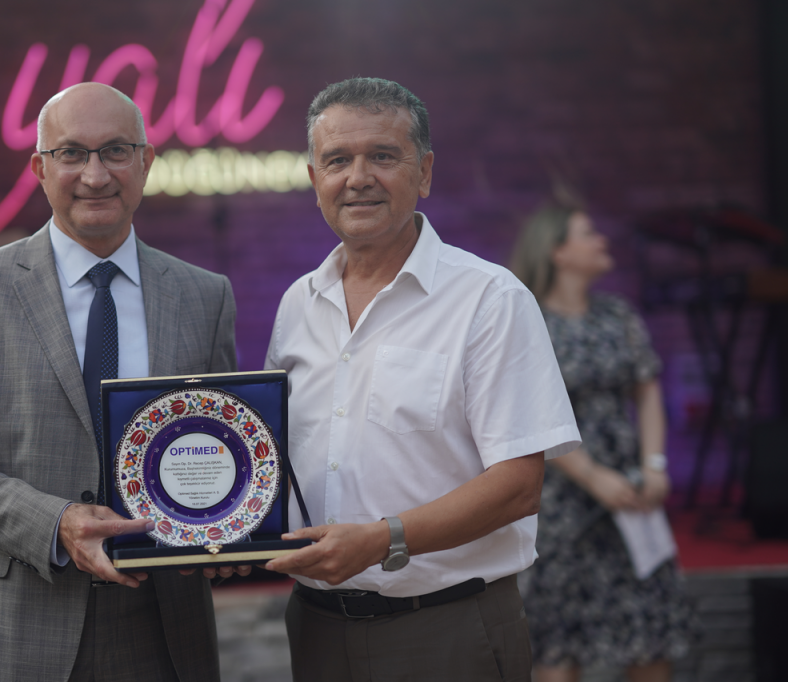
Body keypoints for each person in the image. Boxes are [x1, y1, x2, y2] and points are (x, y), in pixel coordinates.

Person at [0, 82, 238, 682]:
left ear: (146, 162)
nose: (95, 175)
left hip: (163, 632)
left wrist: (230, 527)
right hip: (12, 625)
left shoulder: (204, 296)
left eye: (116, 150)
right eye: (71, 153)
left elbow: (223, 446)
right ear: (40, 168)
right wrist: (57, 523)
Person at [262, 77, 581, 681]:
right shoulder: (297, 304)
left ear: (425, 173)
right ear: (314, 180)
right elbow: (271, 456)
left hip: (447, 630)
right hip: (316, 628)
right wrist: (215, 529)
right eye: (337, 160)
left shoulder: (489, 299)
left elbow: (518, 486)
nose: (358, 178)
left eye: (383, 156)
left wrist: (381, 540)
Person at [509, 204, 695, 682]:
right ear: (558, 252)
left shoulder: (617, 314)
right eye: (588, 233)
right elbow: (530, 413)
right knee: (560, 640)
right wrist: (593, 477)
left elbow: (648, 391)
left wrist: (655, 465)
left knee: (650, 628)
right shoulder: (531, 322)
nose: (602, 241)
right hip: (562, 499)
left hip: (630, 491)